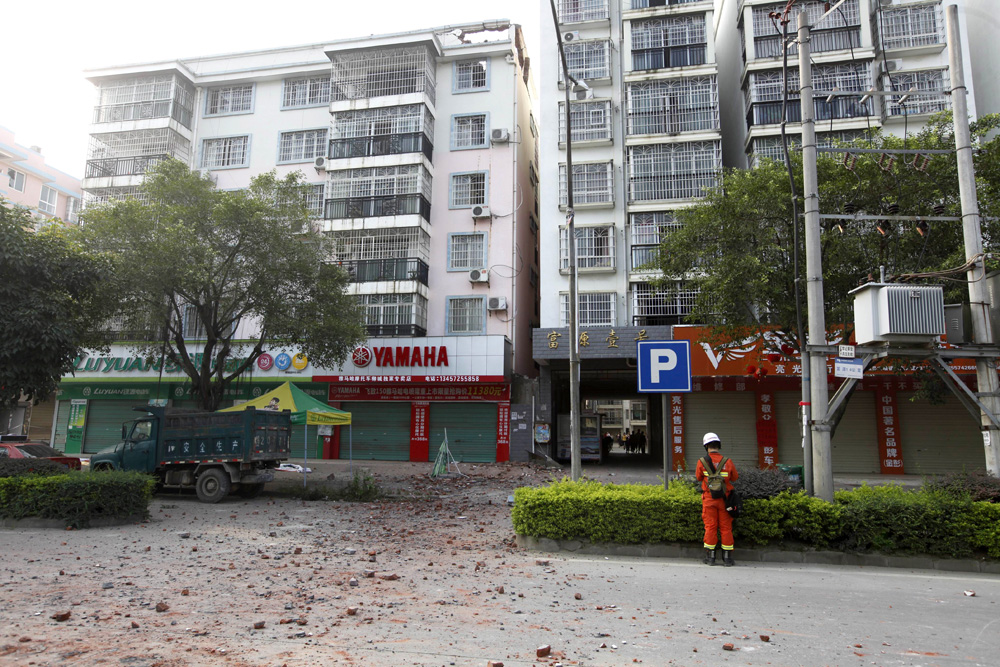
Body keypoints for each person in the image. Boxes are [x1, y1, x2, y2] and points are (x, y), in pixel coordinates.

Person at [694, 432, 739, 566]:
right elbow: (735, 478)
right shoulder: (728, 461)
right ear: (718, 445)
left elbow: (698, 477)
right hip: (725, 500)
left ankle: (711, 557)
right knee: (726, 528)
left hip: (709, 499)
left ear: (706, 446)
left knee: (710, 527)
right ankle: (727, 558)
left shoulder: (701, 462)